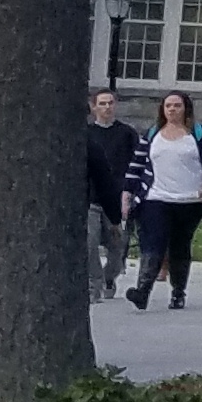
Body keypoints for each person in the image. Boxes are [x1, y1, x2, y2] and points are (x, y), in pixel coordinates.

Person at [123, 89, 202, 311]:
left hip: (189, 200)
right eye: (168, 106)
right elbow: (136, 166)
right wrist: (127, 195)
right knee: (153, 242)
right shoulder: (152, 134)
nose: (172, 110)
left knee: (179, 246)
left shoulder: (198, 133)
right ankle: (142, 291)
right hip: (156, 197)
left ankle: (178, 292)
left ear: (185, 108)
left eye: (177, 105)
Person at [85, 87, 142, 303]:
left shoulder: (127, 134)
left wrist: (131, 192)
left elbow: (137, 164)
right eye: (102, 103)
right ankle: (94, 284)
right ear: (93, 107)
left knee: (117, 246)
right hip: (91, 198)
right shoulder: (87, 134)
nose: (107, 107)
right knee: (89, 243)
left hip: (118, 198)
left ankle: (110, 277)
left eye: (110, 103)